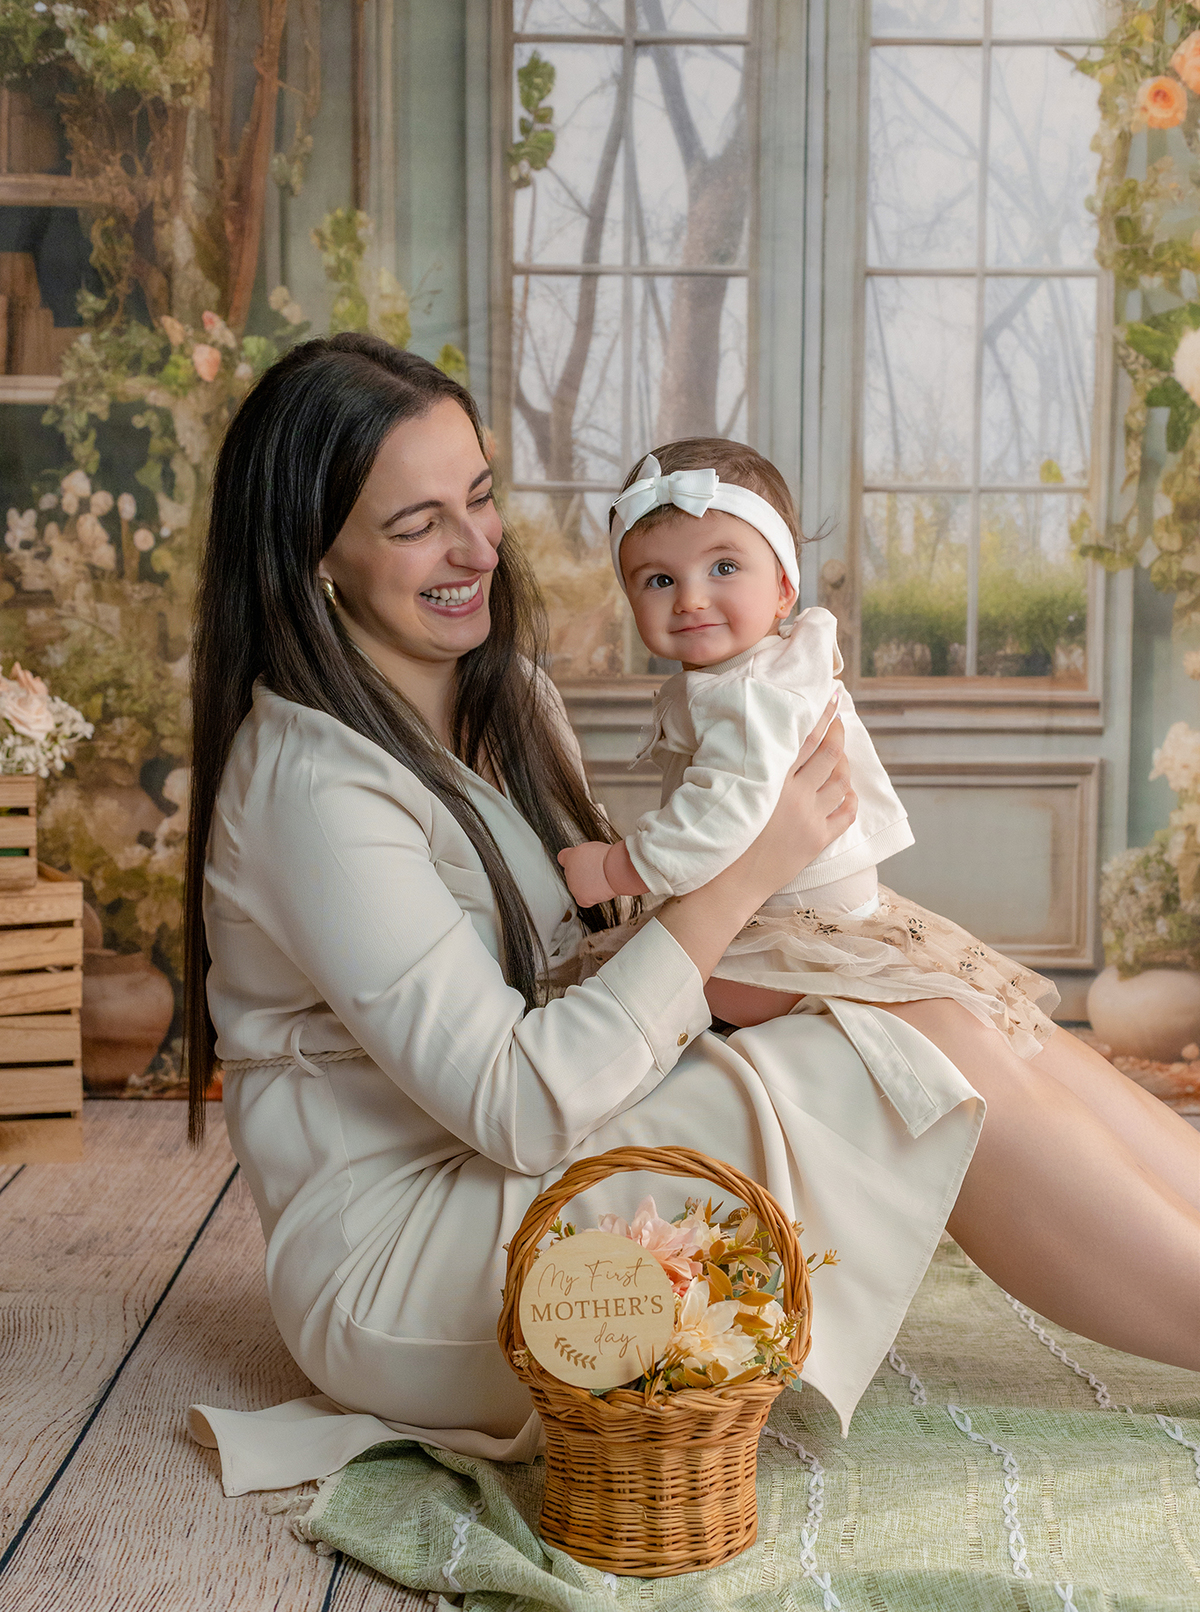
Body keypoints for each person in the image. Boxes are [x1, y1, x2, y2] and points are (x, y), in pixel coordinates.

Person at [184, 334, 1199, 1498]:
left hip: (544, 1148)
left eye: (478, 499)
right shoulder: (315, 783)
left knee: (941, 1000)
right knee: (913, 1053)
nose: (474, 549)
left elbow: (602, 948)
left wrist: (790, 924)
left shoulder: (505, 697)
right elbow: (516, 1104)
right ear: (316, 556)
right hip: (419, 1265)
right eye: (415, 526)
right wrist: (752, 873)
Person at [557, 441, 1059, 1048]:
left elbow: (723, 811)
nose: (690, 598)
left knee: (645, 982)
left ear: (783, 589)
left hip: (785, 915)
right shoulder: (762, 669)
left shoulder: (747, 691)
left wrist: (617, 867)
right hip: (807, 897)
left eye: (723, 568)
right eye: (660, 579)